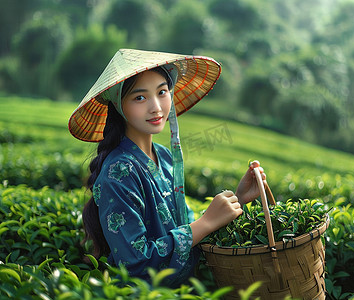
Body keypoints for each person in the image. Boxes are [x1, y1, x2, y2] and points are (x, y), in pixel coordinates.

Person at [68, 49, 266, 287]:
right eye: (139, 97)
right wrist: (205, 223)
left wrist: (239, 200)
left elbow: (187, 228)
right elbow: (134, 264)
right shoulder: (117, 173)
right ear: (119, 106)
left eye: (162, 92)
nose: (156, 107)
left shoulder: (163, 156)